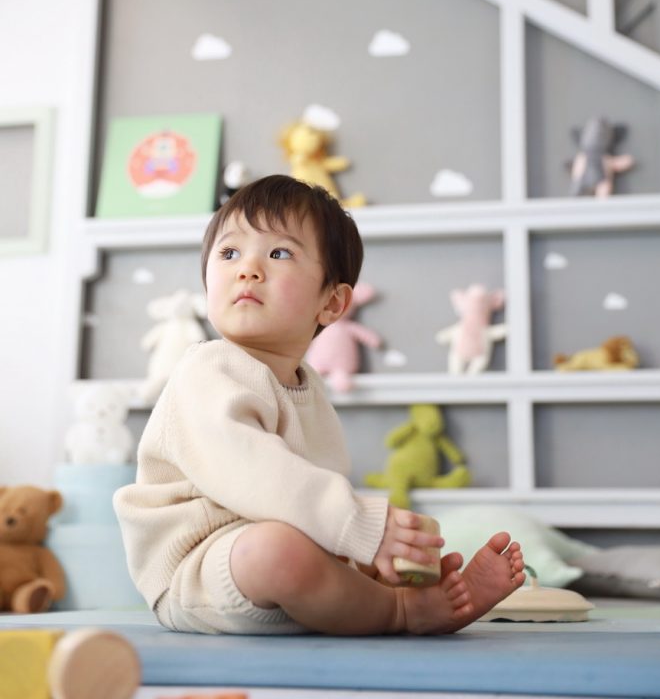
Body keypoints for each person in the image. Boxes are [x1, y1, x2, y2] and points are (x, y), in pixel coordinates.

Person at [114, 174, 525, 636]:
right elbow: (252, 471)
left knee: (340, 551)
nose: (247, 268)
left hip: (277, 555)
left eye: (279, 253)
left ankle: (416, 593)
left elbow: (313, 487)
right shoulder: (207, 369)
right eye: (228, 253)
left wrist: (370, 552)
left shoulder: (309, 389)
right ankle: (400, 612)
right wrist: (357, 525)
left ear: (331, 303)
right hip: (198, 569)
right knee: (282, 550)